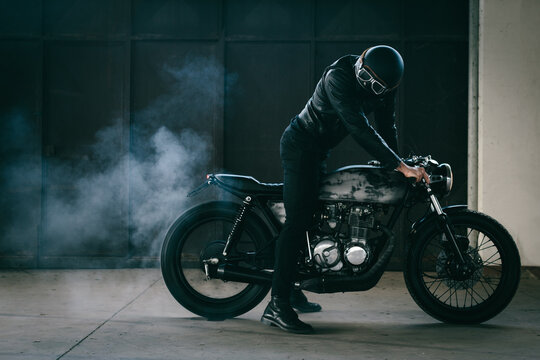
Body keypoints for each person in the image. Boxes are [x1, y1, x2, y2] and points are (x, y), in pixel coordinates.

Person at [260, 45, 429, 334]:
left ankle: (290, 288)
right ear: (361, 59)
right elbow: (358, 126)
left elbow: (386, 125)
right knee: (298, 220)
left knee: (313, 218)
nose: (368, 85)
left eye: (376, 86)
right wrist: (400, 166)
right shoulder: (337, 76)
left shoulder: (383, 89)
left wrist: (397, 161)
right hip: (301, 146)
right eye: (364, 76)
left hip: (319, 150)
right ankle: (277, 304)